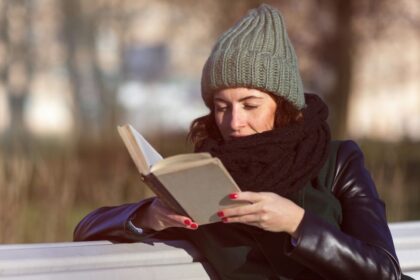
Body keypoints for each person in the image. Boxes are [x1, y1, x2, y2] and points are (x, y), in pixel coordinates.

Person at [74, 4, 408, 279]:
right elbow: (85, 229)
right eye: (221, 107)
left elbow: (385, 271)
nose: (234, 122)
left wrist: (297, 223)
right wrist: (149, 216)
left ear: (283, 105)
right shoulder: (202, 179)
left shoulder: (337, 162)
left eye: (250, 105)